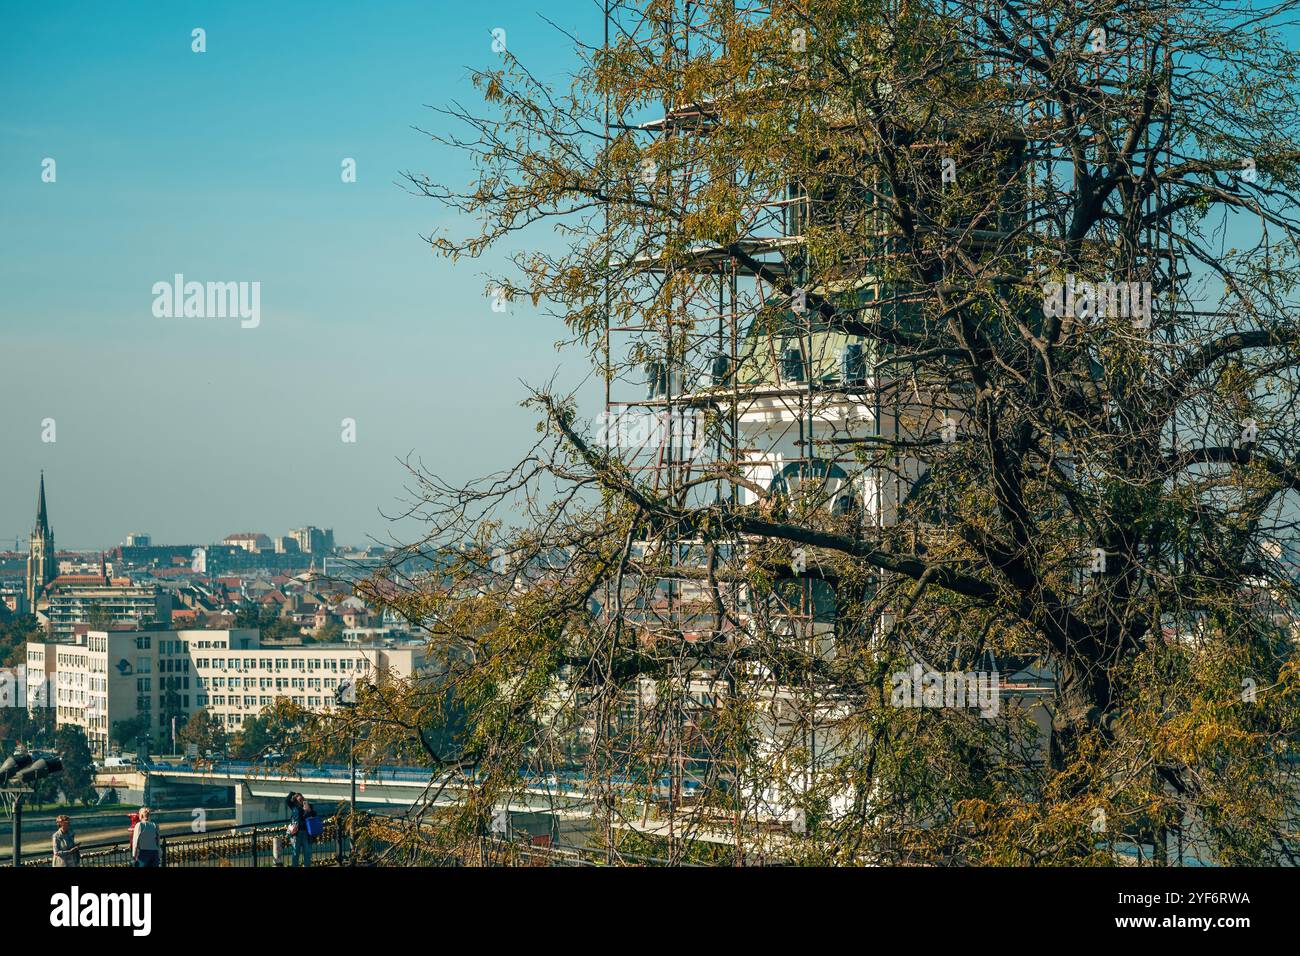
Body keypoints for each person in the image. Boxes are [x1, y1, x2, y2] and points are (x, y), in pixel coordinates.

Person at [285, 792, 316, 867]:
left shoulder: (308, 806)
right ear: (296, 800)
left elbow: (314, 815)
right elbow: (287, 800)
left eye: (302, 798)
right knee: (295, 852)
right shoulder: (294, 807)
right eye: (299, 799)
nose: (301, 800)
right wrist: (293, 793)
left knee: (307, 852)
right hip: (296, 833)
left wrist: (309, 810)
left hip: (306, 833)